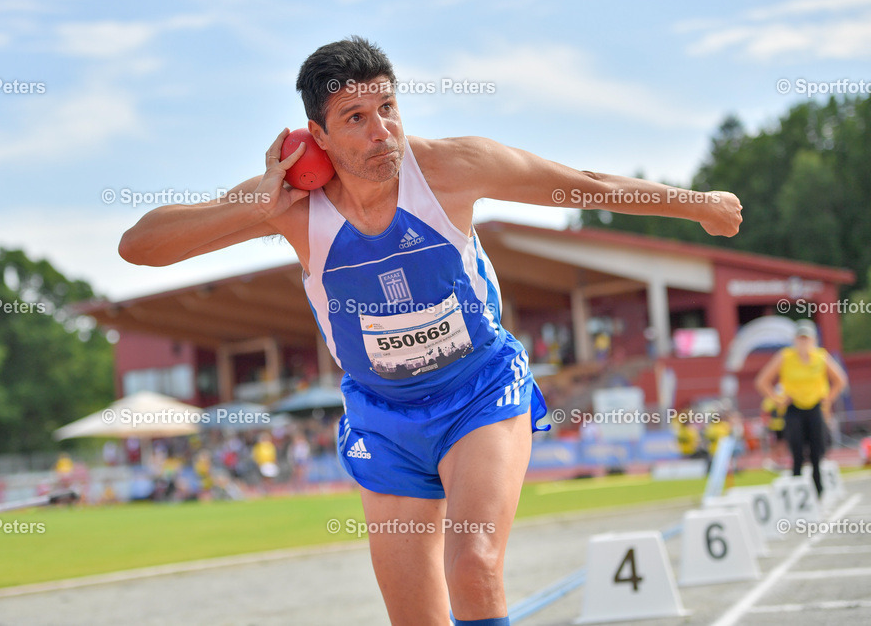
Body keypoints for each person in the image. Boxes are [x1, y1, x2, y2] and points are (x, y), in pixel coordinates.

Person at [119, 37, 742, 625]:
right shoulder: (291, 207)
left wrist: (699, 204)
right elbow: (139, 247)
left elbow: (586, 185)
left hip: (479, 390)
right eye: (355, 116)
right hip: (382, 416)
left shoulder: (450, 169)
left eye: (387, 107)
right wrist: (258, 203)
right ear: (318, 136)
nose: (381, 130)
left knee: (472, 564)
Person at [755, 319, 848, 497]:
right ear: (795, 339)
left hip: (814, 407)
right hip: (793, 408)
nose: (803, 342)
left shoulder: (821, 357)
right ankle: (797, 492)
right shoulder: (785, 356)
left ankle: (819, 490)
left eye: (807, 338)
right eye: (800, 338)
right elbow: (762, 381)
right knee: (796, 451)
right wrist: (777, 399)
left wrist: (828, 399)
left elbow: (840, 380)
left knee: (817, 451)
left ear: (813, 340)